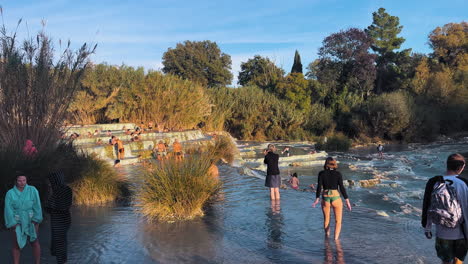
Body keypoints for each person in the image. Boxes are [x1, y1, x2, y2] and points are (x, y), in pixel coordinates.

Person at [422, 153, 468, 264]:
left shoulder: (434, 182)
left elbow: (427, 207)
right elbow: (466, 210)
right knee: (458, 260)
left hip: (442, 232)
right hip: (461, 232)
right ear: (461, 167)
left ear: (446, 165)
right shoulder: (463, 184)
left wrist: (427, 228)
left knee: (445, 261)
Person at [4, 172, 43, 264]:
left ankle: (37, 263)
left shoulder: (33, 190)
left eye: (24, 180)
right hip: (17, 220)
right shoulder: (10, 193)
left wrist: (36, 219)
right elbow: (8, 209)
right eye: (19, 180)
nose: (22, 182)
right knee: (16, 244)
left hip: (31, 219)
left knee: (34, 241)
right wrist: (13, 223)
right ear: (16, 181)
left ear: (26, 180)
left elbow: (37, 205)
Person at [313, 157, 352, 240]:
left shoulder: (321, 173)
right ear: (334, 164)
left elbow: (319, 187)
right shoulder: (338, 174)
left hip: (325, 197)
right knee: (338, 221)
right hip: (336, 197)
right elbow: (341, 187)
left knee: (326, 219)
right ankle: (336, 240)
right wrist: (347, 200)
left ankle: (327, 238)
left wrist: (317, 198)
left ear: (326, 164)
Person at [45, 171, 73, 264]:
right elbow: (48, 208)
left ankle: (62, 261)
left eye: (50, 181)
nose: (49, 183)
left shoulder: (65, 190)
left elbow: (63, 205)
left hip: (62, 220)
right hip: (57, 219)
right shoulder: (56, 190)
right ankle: (61, 260)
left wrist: (51, 202)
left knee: (60, 242)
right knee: (58, 241)